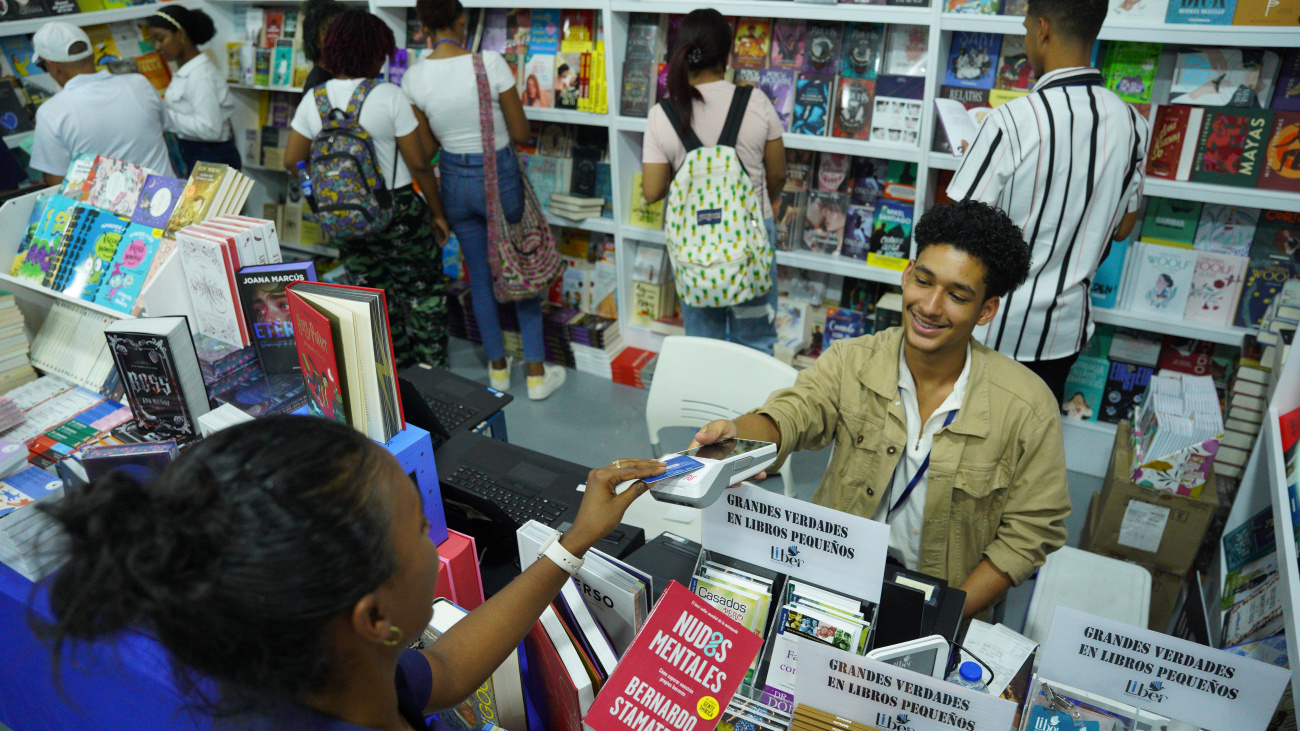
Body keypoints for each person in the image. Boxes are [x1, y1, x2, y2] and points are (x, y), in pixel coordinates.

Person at [38, 415, 665, 729]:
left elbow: (445, 670)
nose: (435, 536)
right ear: (375, 618)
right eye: (421, 527)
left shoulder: (337, 675)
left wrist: (575, 540)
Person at [690, 201, 1071, 619]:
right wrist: (736, 436)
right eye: (923, 281)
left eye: (957, 296)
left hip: (944, 601)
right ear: (907, 274)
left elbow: (1031, 532)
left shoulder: (1027, 408)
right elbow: (794, 413)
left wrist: (944, 617)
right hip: (831, 581)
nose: (929, 306)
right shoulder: (852, 360)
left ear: (986, 310)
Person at [947, 0, 1149, 403]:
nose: (1026, 41)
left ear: (1042, 29)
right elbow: (1124, 228)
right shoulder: (1134, 124)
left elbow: (955, 232)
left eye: (1025, 29)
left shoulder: (1012, 120)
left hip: (994, 332)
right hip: (1064, 333)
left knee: (966, 446)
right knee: (1029, 451)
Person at [403, 0, 567, 401]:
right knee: (521, 265)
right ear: (462, 21)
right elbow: (521, 131)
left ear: (423, 26)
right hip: (500, 179)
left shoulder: (414, 78)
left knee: (479, 277)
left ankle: (497, 370)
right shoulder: (489, 64)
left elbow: (426, 150)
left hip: (454, 183)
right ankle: (535, 373)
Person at [284, 10, 452, 370]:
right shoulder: (387, 95)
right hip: (399, 215)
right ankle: (436, 380)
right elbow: (419, 162)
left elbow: (292, 159)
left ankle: (401, 380)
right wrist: (437, 214)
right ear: (377, 51)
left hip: (347, 221)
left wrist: (326, 194)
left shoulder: (315, 99)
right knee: (424, 297)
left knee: (377, 302)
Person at [641, 8, 785, 355]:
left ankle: (710, 410)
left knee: (703, 345)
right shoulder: (756, 103)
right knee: (755, 342)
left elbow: (652, 191)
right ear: (728, 53)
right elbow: (777, 174)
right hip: (751, 235)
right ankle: (753, 409)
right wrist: (770, 202)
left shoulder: (663, 114)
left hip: (695, 246)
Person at [28, 22, 174, 184]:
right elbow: (161, 133)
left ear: (53, 65)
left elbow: (57, 181)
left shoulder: (51, 112)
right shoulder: (140, 84)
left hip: (110, 208)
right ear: (91, 55)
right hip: (166, 199)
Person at [146, 6, 241, 174]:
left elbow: (210, 128)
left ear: (181, 34)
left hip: (212, 159)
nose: (157, 47)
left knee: (208, 202)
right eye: (154, 41)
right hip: (199, 155)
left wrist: (166, 116)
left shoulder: (199, 76)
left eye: (161, 39)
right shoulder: (188, 71)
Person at [301, 0, 346, 92]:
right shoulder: (317, 86)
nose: (337, 37)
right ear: (315, 39)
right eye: (328, 31)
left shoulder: (339, 76)